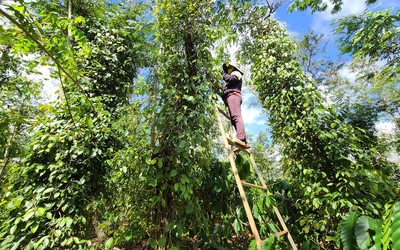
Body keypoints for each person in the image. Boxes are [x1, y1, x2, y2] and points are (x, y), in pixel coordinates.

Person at [221, 62, 250, 150]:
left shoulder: (236, 73)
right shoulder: (231, 77)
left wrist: (223, 74)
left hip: (233, 96)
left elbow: (229, 78)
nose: (229, 68)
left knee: (236, 116)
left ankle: (240, 138)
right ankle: (243, 141)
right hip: (230, 98)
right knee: (233, 119)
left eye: (230, 67)